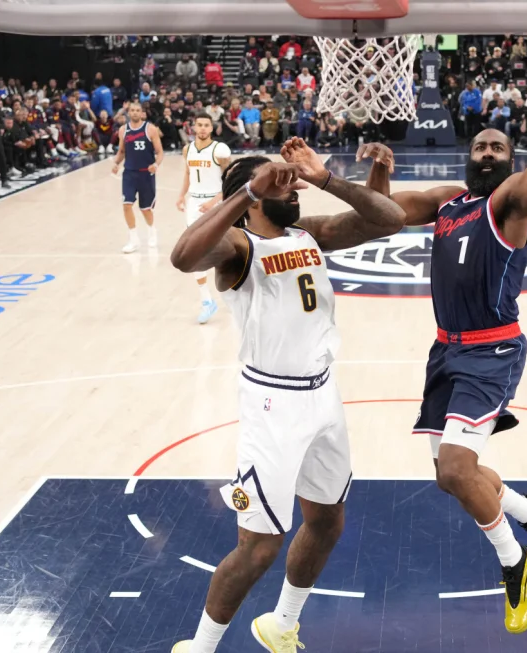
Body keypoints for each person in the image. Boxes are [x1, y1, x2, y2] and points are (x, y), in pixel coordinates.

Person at [359, 33, 527, 635]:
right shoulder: (448, 203)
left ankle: (516, 559)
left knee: (453, 470)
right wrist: (374, 171)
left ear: (508, 159)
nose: (487, 151)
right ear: (466, 155)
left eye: (498, 146)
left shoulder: (511, 205)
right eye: (479, 144)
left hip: (492, 351)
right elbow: (381, 214)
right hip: (446, 351)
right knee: (459, 476)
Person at [168, 138, 406, 653]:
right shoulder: (238, 248)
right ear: (252, 196)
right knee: (258, 548)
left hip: (324, 395)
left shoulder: (309, 234)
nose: (291, 186)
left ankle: (282, 623)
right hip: (273, 404)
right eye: (281, 181)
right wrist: (244, 192)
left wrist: (324, 178)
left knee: (326, 520)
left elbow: (390, 220)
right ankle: (200, 646)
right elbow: (182, 258)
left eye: (292, 180)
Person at [175, 115, 233, 324]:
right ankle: (207, 301)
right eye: (199, 125)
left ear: (212, 128)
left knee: (224, 250)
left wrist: (215, 201)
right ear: (194, 127)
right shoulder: (187, 149)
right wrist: (182, 195)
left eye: (206, 125)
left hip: (215, 203)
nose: (202, 128)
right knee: (195, 251)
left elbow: (230, 180)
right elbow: (188, 174)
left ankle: (232, 293)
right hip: (194, 204)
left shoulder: (220, 150)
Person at [111, 101, 164, 253]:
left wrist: (156, 164)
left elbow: (160, 152)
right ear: (128, 112)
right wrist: (116, 163)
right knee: (126, 205)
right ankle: (133, 239)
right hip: (129, 173)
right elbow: (121, 151)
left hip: (146, 173)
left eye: (137, 110)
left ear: (142, 113)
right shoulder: (123, 130)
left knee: (145, 209)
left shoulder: (150, 129)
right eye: (132, 110)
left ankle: (152, 230)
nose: (134, 113)